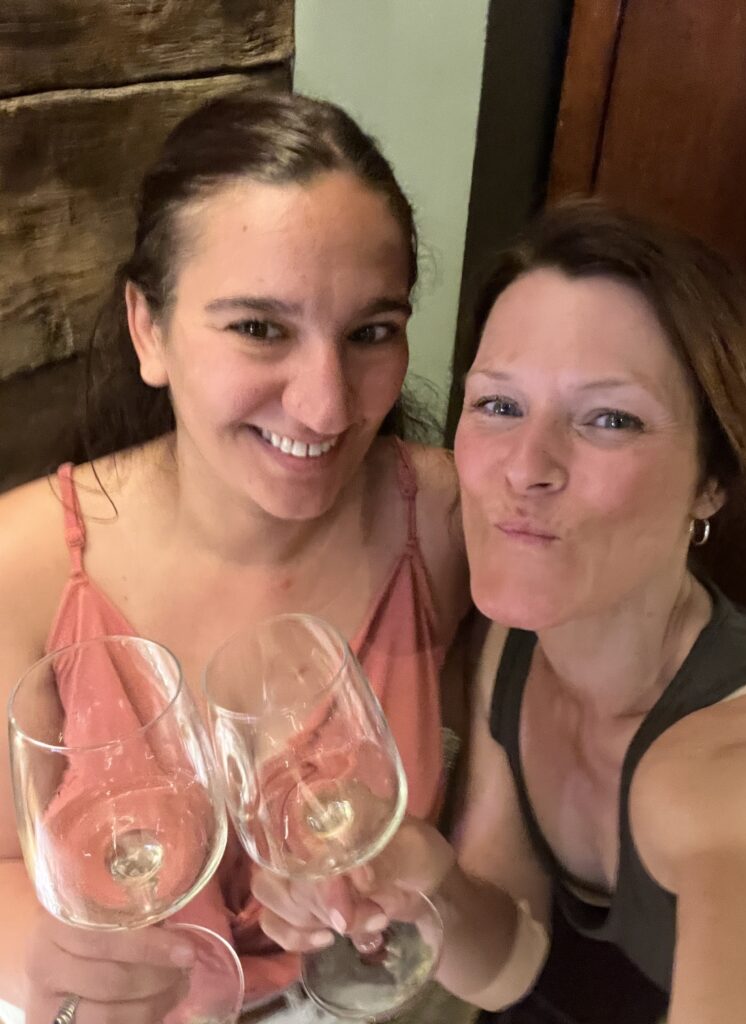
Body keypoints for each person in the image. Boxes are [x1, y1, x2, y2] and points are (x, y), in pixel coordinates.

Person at [0, 91, 470, 1023]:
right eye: (259, 328)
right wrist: (17, 933)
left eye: (371, 332)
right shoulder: (22, 564)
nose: (327, 407)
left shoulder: (452, 521)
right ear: (148, 329)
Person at [255, 200, 746, 1024]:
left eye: (609, 419)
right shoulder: (517, 646)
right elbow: (505, 966)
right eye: (498, 405)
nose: (525, 468)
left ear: (713, 479)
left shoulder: (739, 775)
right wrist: (422, 874)